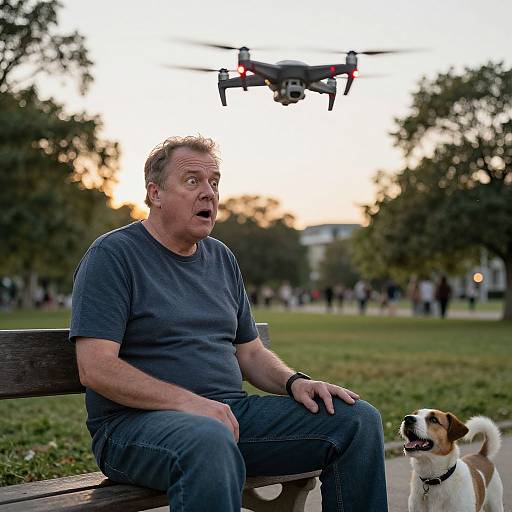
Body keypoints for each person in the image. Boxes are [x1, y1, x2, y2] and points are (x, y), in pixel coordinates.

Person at [70, 136, 387, 512]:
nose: (209, 194)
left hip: (228, 417)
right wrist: (190, 404)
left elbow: (250, 352)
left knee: (357, 421)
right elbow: (95, 367)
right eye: (193, 181)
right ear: (155, 193)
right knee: (208, 437)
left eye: (215, 183)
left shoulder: (221, 258)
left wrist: (295, 381)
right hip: (133, 429)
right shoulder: (113, 255)